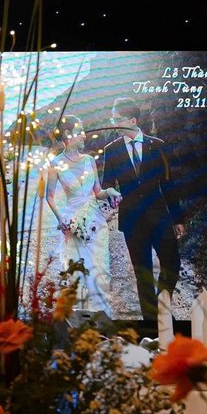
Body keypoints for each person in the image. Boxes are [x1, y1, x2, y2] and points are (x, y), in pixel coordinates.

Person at [98, 98, 183, 321]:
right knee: (142, 273)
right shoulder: (111, 150)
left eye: (117, 119)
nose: (113, 123)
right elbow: (108, 183)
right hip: (132, 219)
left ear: (133, 120)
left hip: (160, 216)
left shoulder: (158, 145)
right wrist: (110, 192)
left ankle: (162, 307)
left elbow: (168, 183)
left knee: (172, 263)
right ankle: (152, 323)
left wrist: (177, 218)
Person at [44, 115, 116, 314]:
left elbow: (98, 192)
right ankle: (81, 318)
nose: (84, 135)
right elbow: (49, 196)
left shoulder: (89, 160)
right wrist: (61, 219)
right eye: (80, 131)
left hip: (95, 222)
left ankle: (100, 316)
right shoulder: (55, 164)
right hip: (73, 221)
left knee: (100, 268)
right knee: (78, 271)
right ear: (68, 134)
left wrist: (110, 192)